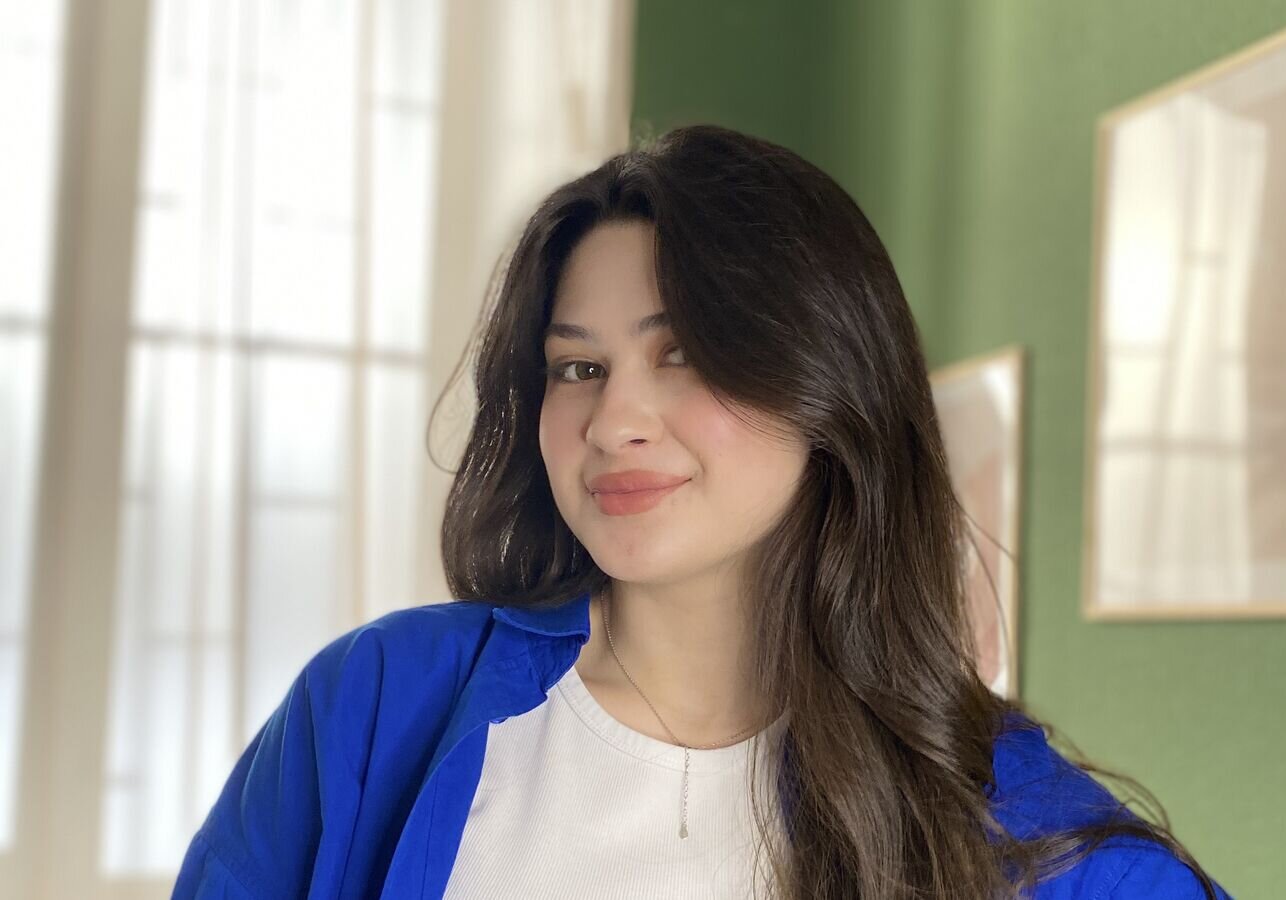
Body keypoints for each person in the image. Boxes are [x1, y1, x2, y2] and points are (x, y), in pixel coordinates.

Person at [173, 124, 1231, 899]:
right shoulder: (372, 705)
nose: (613, 421)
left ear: (827, 383)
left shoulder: (1033, 835)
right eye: (577, 367)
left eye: (682, 353)